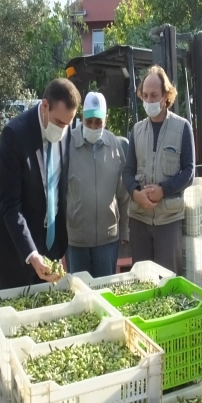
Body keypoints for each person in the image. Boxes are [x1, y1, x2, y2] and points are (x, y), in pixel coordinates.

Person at [0, 78, 81, 289]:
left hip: (51, 246)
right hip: (17, 252)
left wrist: (55, 248)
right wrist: (31, 253)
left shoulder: (65, 131)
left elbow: (57, 189)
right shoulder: (15, 135)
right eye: (59, 123)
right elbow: (11, 205)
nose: (63, 130)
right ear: (45, 106)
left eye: (68, 123)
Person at [122, 65, 195, 274]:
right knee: (141, 281)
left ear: (166, 96)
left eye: (154, 95)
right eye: (145, 95)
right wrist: (136, 194)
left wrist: (163, 189)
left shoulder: (182, 128)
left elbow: (189, 171)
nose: (149, 101)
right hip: (139, 219)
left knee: (167, 279)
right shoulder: (137, 130)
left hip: (168, 220)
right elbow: (127, 172)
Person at [65, 92, 130, 277]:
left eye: (98, 122)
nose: (93, 126)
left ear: (106, 120)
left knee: (105, 293)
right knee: (80, 295)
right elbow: (58, 194)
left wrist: (125, 230)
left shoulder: (115, 147)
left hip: (107, 239)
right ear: (81, 117)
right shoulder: (67, 144)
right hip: (76, 240)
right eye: (89, 121)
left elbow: (123, 195)